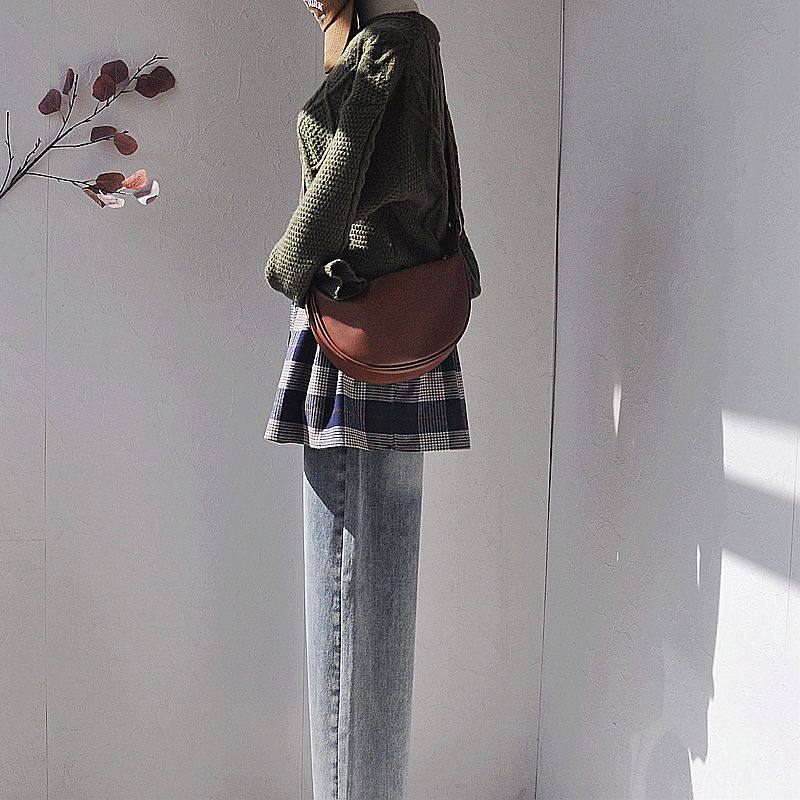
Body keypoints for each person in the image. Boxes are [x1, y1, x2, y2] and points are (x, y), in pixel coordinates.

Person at [263, 1, 482, 796]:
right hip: (387, 335)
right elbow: (436, 187)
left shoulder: (389, 45)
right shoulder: (399, 43)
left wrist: (286, 267)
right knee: (370, 593)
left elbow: (342, 176)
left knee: (350, 593)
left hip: (359, 343)